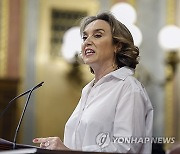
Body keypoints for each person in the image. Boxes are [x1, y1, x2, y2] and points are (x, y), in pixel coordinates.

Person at [33, 12, 153, 153]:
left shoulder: (129, 88)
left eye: (97, 35)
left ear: (117, 46)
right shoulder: (88, 90)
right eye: (85, 37)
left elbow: (127, 148)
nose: (87, 41)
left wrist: (68, 151)